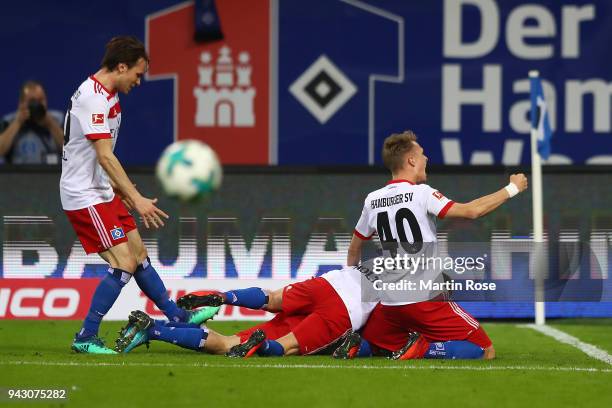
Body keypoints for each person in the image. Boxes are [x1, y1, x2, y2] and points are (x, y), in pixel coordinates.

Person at [61, 36, 208, 354]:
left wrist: (119, 188)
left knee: (138, 253)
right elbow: (103, 156)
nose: (138, 81)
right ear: (121, 66)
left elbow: (93, 154)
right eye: (137, 74)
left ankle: (178, 315)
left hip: (101, 189)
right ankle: (86, 335)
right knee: (123, 262)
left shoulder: (108, 96)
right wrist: (135, 198)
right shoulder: (93, 98)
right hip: (84, 194)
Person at [334, 130, 528, 360]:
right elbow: (472, 211)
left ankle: (358, 345)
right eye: (422, 154)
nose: (426, 159)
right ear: (411, 160)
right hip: (424, 299)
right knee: (485, 350)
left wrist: (349, 283)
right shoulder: (422, 193)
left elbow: (354, 248)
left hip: (390, 302)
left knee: (379, 342)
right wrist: (512, 188)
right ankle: (424, 350)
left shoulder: (372, 199)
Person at [115, 265, 378, 357]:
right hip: (345, 308)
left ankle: (224, 297)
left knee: (272, 298)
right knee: (276, 346)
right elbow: (388, 325)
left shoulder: (384, 255)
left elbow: (355, 248)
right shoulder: (414, 281)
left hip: (331, 280)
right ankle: (156, 331)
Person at [0, 80, 64, 164]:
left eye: (41, 100)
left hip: (53, 175)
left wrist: (51, 124)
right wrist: (17, 123)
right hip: (18, 175)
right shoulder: (8, 122)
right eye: (32, 101)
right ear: (21, 103)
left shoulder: (58, 119)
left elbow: (72, 150)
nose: (37, 105)